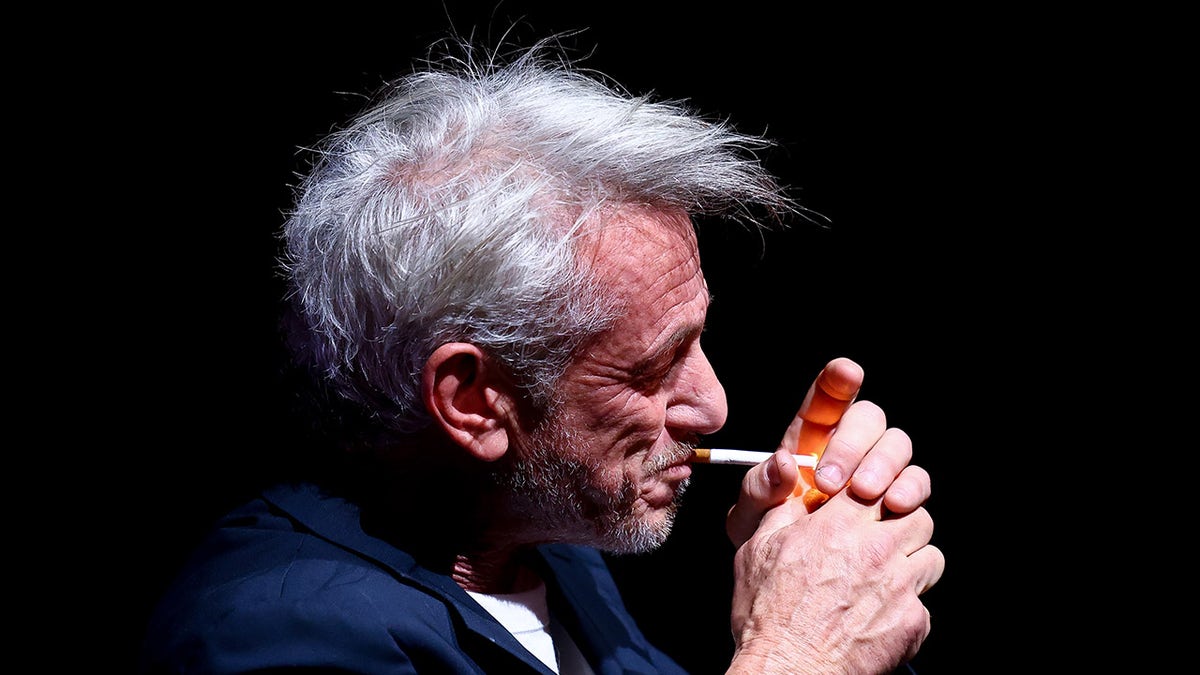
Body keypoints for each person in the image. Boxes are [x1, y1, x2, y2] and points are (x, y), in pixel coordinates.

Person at [139, 35, 943, 674]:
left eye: (699, 338)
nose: (714, 403)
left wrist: (843, 601)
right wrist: (800, 654)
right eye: (655, 365)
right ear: (474, 399)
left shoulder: (547, 545)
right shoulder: (280, 636)